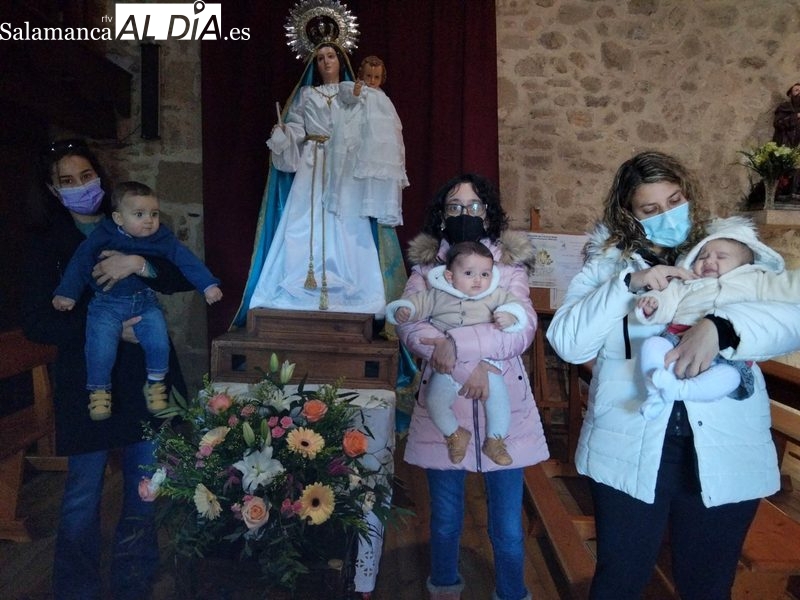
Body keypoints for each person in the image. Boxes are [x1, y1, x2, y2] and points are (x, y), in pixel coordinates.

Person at [546, 150, 800, 600]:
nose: (668, 214)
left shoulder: (729, 251)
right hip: (630, 440)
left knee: (706, 584)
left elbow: (790, 317)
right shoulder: (608, 264)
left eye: (675, 199)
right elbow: (568, 343)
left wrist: (722, 328)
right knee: (620, 580)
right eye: (651, 209)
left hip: (722, 445)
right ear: (629, 214)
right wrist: (628, 286)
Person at [21, 139, 193, 600]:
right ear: (54, 191)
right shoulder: (43, 243)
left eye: (86, 177)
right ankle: (76, 589)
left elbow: (178, 275)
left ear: (101, 176)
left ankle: (132, 582)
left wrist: (139, 262)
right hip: (88, 383)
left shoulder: (134, 219)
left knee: (144, 488)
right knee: (82, 494)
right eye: (68, 182)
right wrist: (108, 328)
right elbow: (37, 320)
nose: (81, 187)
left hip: (142, 377)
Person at [396, 173, 547, 600]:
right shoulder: (426, 270)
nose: (466, 213)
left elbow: (521, 327)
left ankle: (512, 592)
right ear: (442, 217)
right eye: (455, 206)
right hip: (447, 404)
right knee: (444, 519)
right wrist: (468, 367)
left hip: (504, 402)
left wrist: (460, 347)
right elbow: (410, 325)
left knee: (507, 525)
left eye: (475, 205)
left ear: (488, 213)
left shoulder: (508, 268)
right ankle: (444, 587)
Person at [241, 42, 406, 317]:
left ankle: (351, 292)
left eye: (330, 56)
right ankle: (300, 290)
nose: (326, 62)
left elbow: (372, 126)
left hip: (345, 167)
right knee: (302, 224)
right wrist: (284, 134)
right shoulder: (307, 95)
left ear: (341, 60)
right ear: (314, 65)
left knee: (348, 225)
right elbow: (296, 127)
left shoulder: (355, 92)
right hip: (312, 165)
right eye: (319, 58)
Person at [52, 181, 222, 421]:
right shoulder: (104, 234)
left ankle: (155, 384)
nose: (149, 220)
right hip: (106, 304)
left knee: (159, 343)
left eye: (154, 213)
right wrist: (67, 292)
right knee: (100, 348)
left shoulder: (160, 236)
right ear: (119, 218)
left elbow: (185, 260)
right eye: (139, 214)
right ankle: (99, 391)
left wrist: (207, 284)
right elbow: (80, 261)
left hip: (144, 302)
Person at [636, 218, 800, 419]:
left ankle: (680, 391)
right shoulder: (688, 283)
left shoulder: (757, 280)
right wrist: (654, 303)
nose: (709, 261)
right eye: (702, 256)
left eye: (721, 256)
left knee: (731, 377)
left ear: (745, 265)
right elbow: (668, 299)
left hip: (728, 356)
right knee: (652, 346)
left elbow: (789, 286)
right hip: (678, 339)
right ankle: (655, 394)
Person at [387, 241, 528, 466]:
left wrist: (510, 316)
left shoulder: (495, 294)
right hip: (448, 365)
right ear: (451, 276)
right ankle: (455, 433)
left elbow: (516, 307)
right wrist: (405, 310)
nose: (478, 280)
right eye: (469, 273)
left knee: (499, 399)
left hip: (486, 361)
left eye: (485, 274)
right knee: (434, 401)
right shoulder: (437, 295)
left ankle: (495, 440)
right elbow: (416, 304)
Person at [339, 54, 408, 227]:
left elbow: (393, 124)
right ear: (362, 74)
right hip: (366, 140)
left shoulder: (384, 98)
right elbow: (347, 96)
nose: (372, 80)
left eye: (376, 77)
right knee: (365, 171)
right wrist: (355, 92)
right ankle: (364, 202)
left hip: (382, 144)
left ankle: (382, 205)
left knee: (382, 172)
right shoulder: (361, 90)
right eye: (368, 76)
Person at [773, 81, 800, 148]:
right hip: (785, 145)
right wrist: (796, 116)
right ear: (790, 94)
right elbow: (778, 123)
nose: (799, 93)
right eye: (796, 90)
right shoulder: (784, 107)